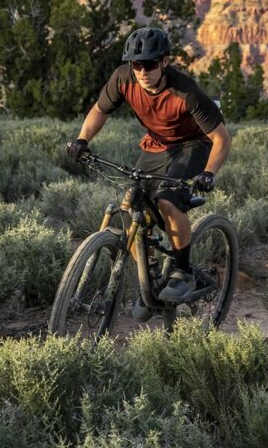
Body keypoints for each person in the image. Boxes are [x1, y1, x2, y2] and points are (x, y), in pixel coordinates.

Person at [67, 26, 231, 302]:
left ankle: (183, 272)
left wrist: (209, 173)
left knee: (167, 201)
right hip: (157, 144)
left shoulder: (186, 91)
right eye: (136, 64)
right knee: (134, 204)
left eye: (150, 64)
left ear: (164, 62)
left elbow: (221, 138)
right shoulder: (124, 79)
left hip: (194, 144)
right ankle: (150, 274)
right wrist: (82, 139)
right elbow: (99, 109)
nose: (142, 71)